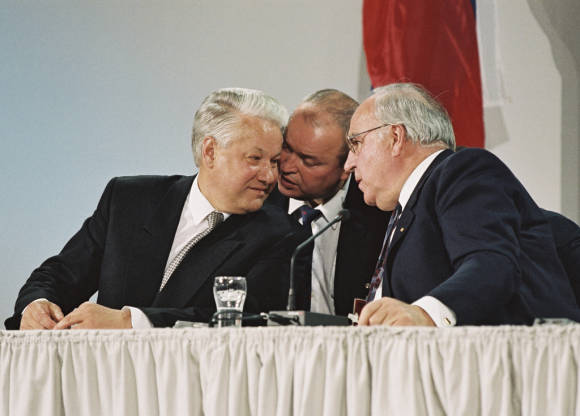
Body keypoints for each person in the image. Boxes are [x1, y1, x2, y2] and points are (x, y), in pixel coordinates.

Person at [5, 87, 295, 330]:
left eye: (274, 161)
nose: (269, 176)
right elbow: (60, 274)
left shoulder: (279, 233)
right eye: (255, 159)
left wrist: (130, 322)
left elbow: (248, 319)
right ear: (210, 152)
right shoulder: (129, 199)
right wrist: (38, 305)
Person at [344, 82, 580, 326]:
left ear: (396, 137)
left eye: (356, 144)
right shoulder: (403, 210)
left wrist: (425, 315)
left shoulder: (461, 171)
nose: (348, 164)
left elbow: (490, 264)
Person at [267, 89, 387, 316]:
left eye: (307, 161)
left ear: (346, 167)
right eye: (287, 148)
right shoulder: (257, 203)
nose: (287, 166)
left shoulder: (379, 214)